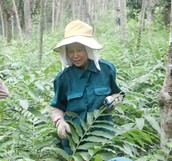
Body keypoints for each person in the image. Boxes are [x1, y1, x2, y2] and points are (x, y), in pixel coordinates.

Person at [50, 20, 124, 154]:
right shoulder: (63, 78)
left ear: (88, 49)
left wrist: (113, 100)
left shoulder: (106, 70)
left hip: (102, 139)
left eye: (79, 50)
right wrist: (60, 122)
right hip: (74, 143)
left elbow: (118, 94)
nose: (75, 55)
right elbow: (57, 106)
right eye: (70, 51)